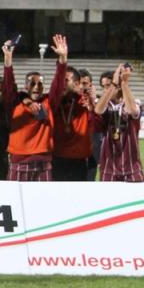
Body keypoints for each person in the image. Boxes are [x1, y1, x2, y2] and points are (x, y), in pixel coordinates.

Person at [2, 35, 66, 181]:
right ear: (25, 86)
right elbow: (8, 84)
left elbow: (59, 84)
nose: (36, 87)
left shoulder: (50, 102)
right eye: (32, 83)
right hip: (19, 161)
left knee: (43, 203)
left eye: (40, 84)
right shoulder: (15, 103)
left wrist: (62, 59)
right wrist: (8, 58)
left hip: (44, 163)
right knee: (15, 202)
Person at [50, 36, 95, 182]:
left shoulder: (85, 102)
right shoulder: (55, 103)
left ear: (76, 83)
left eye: (66, 80)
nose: (61, 84)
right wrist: (62, 60)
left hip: (80, 162)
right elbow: (56, 89)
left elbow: (97, 120)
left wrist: (92, 102)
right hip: (57, 160)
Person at [93, 63, 143, 182]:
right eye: (103, 87)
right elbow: (98, 110)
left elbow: (132, 111)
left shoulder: (134, 102)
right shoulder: (103, 104)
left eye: (108, 85)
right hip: (108, 168)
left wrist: (124, 83)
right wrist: (114, 85)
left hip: (132, 167)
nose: (105, 90)